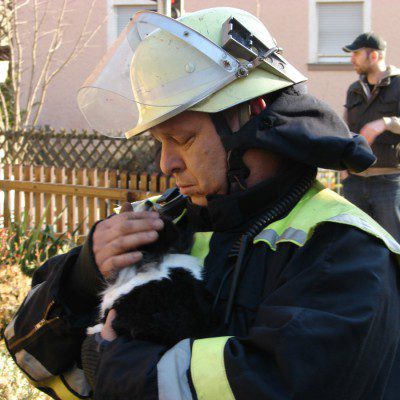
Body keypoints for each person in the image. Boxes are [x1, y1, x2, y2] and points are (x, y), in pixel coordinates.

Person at [5, 8, 400, 400]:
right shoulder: (156, 223)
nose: (166, 163)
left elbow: (282, 383)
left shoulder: (343, 252)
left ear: (250, 116)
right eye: (159, 142)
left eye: (183, 138)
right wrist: (82, 278)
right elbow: (31, 357)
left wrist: (117, 368)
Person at [342, 32, 400, 242]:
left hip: (388, 183)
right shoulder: (354, 89)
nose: (352, 59)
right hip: (354, 182)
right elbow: (346, 129)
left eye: (356, 53)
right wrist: (343, 166)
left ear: (374, 56)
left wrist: (386, 123)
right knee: (355, 245)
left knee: (394, 246)